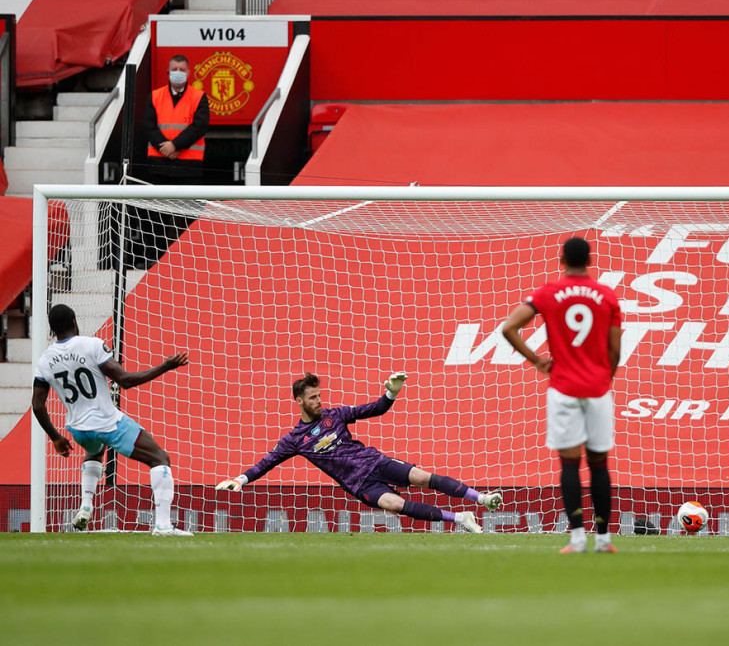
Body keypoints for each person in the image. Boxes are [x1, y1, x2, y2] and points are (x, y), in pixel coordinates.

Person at [216, 373, 501, 533]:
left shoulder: (336, 414)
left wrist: (390, 394)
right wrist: (242, 479)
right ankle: (460, 518)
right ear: (299, 401)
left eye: (319, 395)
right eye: (313, 397)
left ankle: (482, 498)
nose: (319, 401)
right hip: (359, 483)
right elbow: (267, 462)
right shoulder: (295, 439)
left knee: (422, 476)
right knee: (396, 506)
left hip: (375, 462)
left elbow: (374, 409)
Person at [502, 237, 623, 553]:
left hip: (563, 388)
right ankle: (604, 539)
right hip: (597, 389)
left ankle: (577, 538)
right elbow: (615, 350)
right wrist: (603, 378)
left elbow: (509, 327)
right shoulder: (606, 295)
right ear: (590, 260)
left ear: (561, 260)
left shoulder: (548, 293)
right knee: (599, 463)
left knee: (569, 464)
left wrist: (537, 360)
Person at [31, 304, 192, 536]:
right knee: (159, 458)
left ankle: (86, 505)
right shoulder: (92, 345)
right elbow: (125, 380)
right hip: (108, 424)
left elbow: (37, 404)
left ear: (52, 329)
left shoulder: (45, 360)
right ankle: (164, 526)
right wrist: (165, 366)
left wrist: (55, 437)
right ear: (75, 321)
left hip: (78, 430)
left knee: (95, 450)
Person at [134, 54, 210, 268]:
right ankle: (155, 261)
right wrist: (166, 148)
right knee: (155, 219)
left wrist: (175, 145)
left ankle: (190, 263)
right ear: (168, 72)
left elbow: (200, 126)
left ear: (189, 72)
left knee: (189, 220)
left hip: (189, 171)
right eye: (174, 68)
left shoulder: (199, 97)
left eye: (182, 68)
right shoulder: (155, 96)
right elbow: (148, 126)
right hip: (159, 169)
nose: (178, 72)